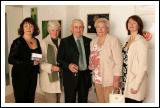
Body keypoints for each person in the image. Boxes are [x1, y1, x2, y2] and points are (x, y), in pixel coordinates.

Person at [88, 18, 123, 103]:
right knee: (101, 101)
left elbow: (119, 61)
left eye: (103, 27)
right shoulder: (93, 42)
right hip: (97, 79)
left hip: (110, 79)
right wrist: (91, 65)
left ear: (107, 28)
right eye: (98, 27)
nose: (100, 29)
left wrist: (116, 80)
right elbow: (91, 58)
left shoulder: (113, 40)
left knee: (110, 102)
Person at [57, 19, 92, 103]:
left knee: (83, 101)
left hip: (84, 76)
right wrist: (68, 65)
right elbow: (59, 59)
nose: (78, 29)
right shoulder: (65, 41)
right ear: (71, 29)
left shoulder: (89, 41)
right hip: (70, 77)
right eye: (76, 27)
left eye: (80, 27)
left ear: (83, 28)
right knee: (70, 101)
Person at [8, 17, 42, 103]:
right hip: (20, 76)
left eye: (31, 26)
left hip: (33, 75)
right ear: (22, 28)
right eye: (26, 26)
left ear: (34, 28)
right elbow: (11, 59)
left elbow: (37, 55)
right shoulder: (17, 42)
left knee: (30, 99)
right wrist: (30, 63)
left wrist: (37, 62)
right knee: (21, 100)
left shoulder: (36, 41)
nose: (28, 28)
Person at [121, 15, 148, 103]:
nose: (131, 24)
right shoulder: (127, 39)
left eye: (134, 23)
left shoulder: (141, 41)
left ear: (139, 25)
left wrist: (136, 85)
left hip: (134, 81)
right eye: (129, 22)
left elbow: (143, 66)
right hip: (125, 79)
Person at [39, 20, 62, 103]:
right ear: (48, 30)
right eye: (53, 30)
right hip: (48, 79)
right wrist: (50, 67)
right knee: (52, 101)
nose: (55, 32)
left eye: (57, 30)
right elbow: (39, 62)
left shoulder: (61, 41)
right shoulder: (43, 42)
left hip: (60, 77)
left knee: (58, 101)